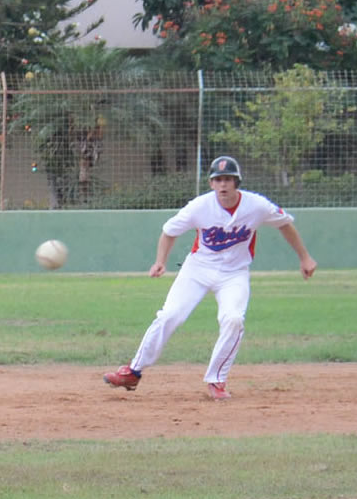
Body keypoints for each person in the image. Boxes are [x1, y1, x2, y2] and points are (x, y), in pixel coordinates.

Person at [104, 157, 317, 400]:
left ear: (236, 182)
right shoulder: (200, 206)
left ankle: (216, 380)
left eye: (228, 179)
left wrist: (305, 257)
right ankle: (133, 371)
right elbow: (169, 231)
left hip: (234, 273)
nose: (223, 185)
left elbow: (285, 223)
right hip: (197, 269)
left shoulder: (256, 205)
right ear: (211, 183)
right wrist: (161, 261)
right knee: (170, 316)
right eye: (218, 180)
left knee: (234, 319)